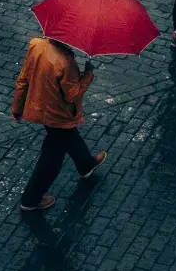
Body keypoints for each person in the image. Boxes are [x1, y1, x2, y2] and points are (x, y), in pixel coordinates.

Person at [11, 37, 107, 211]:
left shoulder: (36, 44)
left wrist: (17, 107)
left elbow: (23, 78)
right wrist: (88, 75)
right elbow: (73, 95)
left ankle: (86, 164)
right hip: (59, 115)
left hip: (41, 107)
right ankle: (31, 199)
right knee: (52, 159)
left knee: (70, 136)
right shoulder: (65, 62)